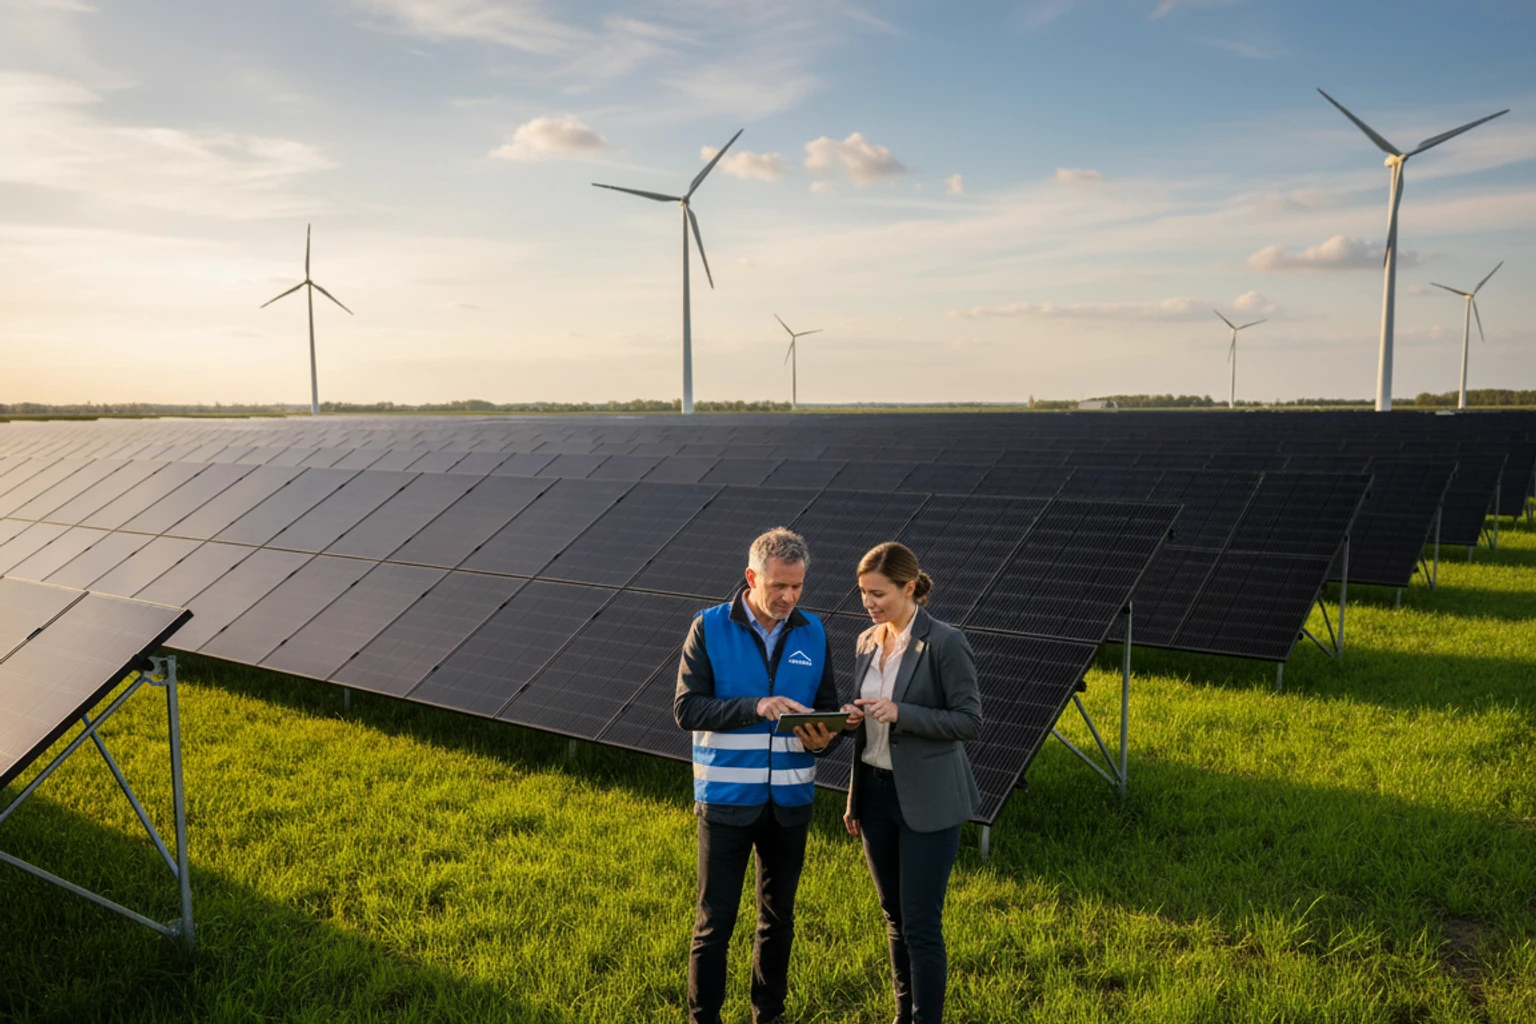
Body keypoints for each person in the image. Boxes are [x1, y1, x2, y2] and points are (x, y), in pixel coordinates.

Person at [674, 527, 849, 1024]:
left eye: (797, 587)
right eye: (778, 586)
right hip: (728, 800)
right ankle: (703, 1017)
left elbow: (826, 708)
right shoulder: (707, 627)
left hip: (791, 803)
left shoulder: (813, 632)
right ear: (752, 578)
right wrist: (756, 706)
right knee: (716, 923)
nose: (789, 597)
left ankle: (767, 1016)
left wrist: (826, 735)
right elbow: (687, 709)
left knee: (778, 921)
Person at [841, 541, 982, 1024]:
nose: (870, 603)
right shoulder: (865, 641)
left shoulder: (944, 641)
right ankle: (905, 1016)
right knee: (895, 919)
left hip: (928, 799)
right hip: (876, 796)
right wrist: (855, 793)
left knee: (921, 924)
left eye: (878, 593)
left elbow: (968, 720)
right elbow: (867, 724)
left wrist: (904, 713)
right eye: (863, 593)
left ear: (909, 587)